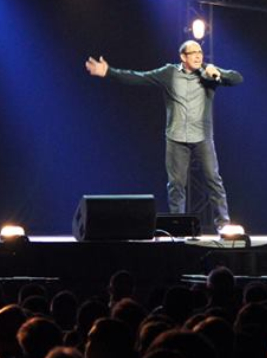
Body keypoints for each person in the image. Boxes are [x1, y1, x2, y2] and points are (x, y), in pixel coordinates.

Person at [84, 40, 242, 230]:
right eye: (193, 53)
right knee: (176, 185)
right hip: (176, 138)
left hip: (202, 137)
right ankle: (179, 226)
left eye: (200, 52)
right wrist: (108, 72)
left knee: (213, 180)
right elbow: (139, 77)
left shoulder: (209, 73)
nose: (199, 55)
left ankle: (223, 224)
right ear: (183, 57)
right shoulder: (169, 73)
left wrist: (219, 74)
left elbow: (237, 78)